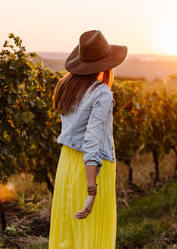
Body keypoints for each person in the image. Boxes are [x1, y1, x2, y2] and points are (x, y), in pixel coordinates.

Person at [48, 30, 127, 248]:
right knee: (90, 236)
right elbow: (91, 141)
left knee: (68, 234)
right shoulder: (101, 92)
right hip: (91, 169)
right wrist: (91, 190)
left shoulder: (66, 87)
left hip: (66, 164)